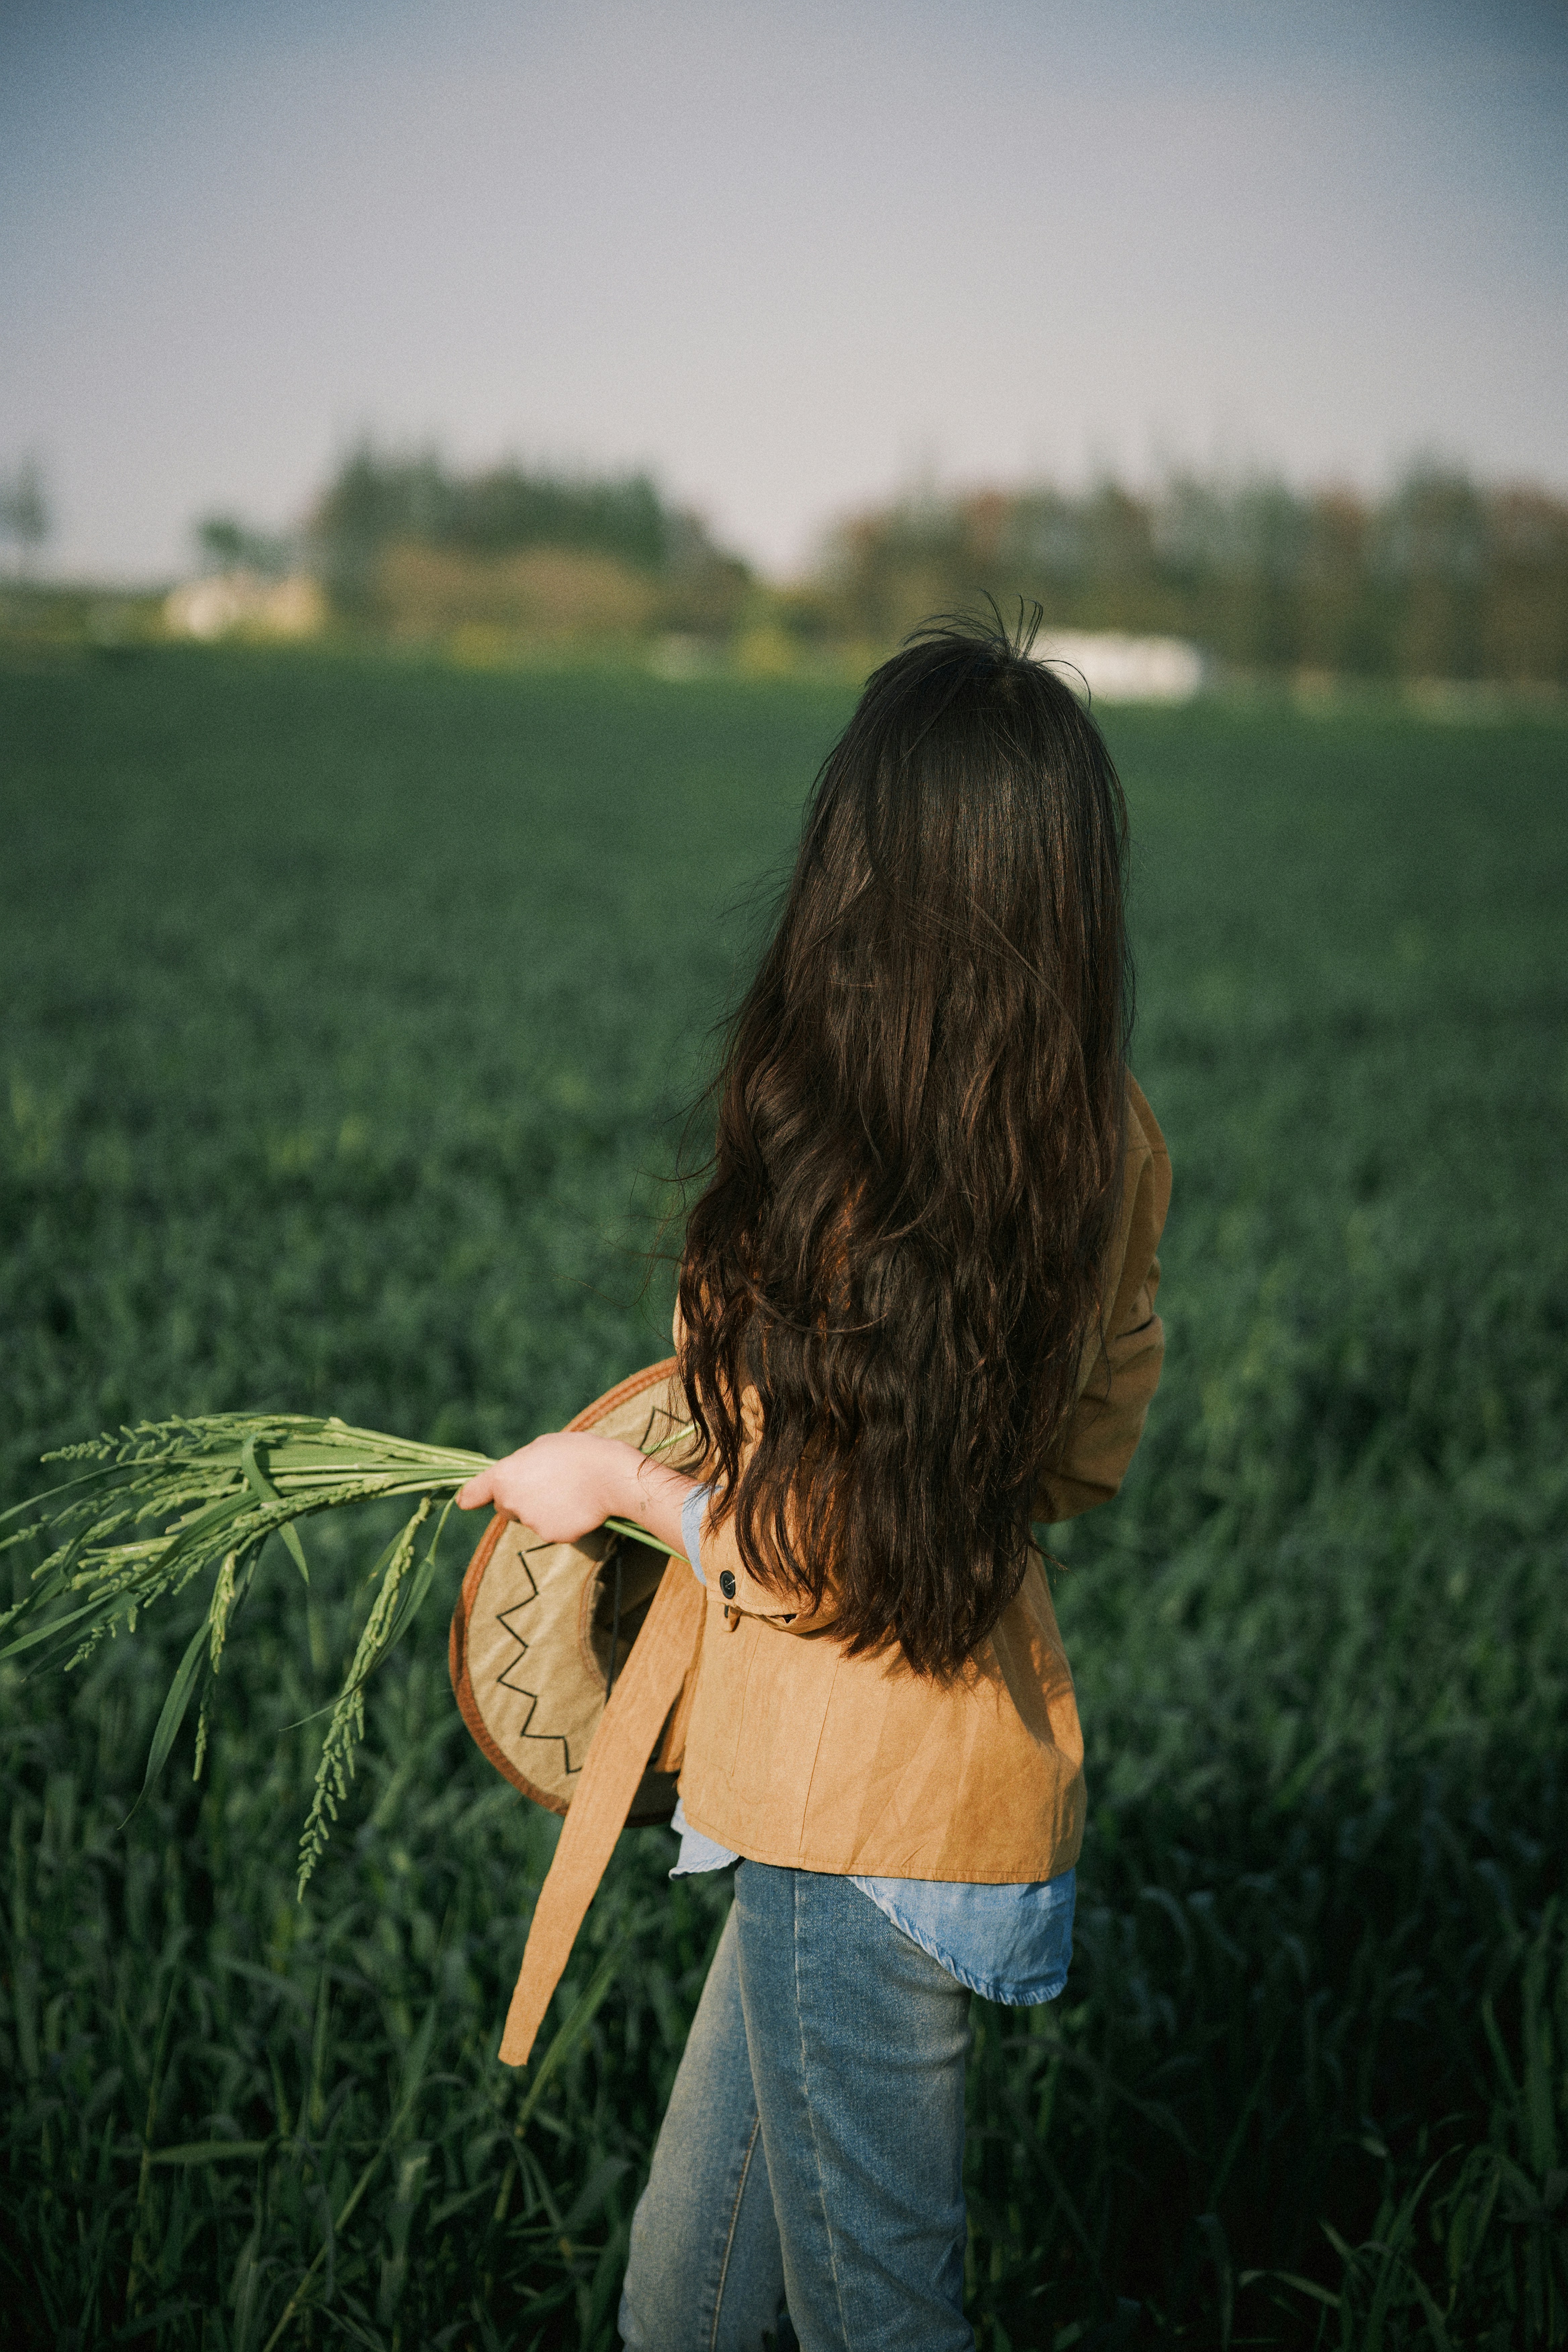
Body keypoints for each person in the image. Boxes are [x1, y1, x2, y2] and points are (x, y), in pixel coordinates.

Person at [456, 611, 1171, 2351]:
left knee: (876, 2318)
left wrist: (607, 1486)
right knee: (682, 2307)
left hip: (846, 1824)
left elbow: (799, 1569)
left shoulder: (828, 1144)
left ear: (861, 859)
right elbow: (1083, 1458)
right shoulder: (1107, 1140)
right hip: (938, 1782)